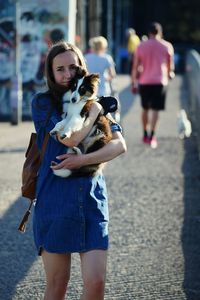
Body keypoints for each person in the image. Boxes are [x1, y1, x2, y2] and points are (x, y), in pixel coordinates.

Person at [31, 41, 127, 300]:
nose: (67, 74)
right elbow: (69, 139)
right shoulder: (43, 104)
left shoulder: (96, 101)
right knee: (57, 286)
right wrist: (96, 110)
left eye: (73, 67)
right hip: (55, 202)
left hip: (91, 201)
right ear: (51, 74)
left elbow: (119, 146)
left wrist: (82, 161)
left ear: (82, 68)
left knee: (96, 283)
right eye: (60, 69)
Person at [131, 22, 175, 148]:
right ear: (160, 32)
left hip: (145, 81)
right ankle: (152, 135)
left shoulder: (141, 46)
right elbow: (170, 67)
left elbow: (135, 67)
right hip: (160, 81)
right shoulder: (167, 46)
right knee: (156, 110)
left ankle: (144, 134)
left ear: (149, 32)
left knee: (145, 108)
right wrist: (170, 74)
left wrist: (134, 82)